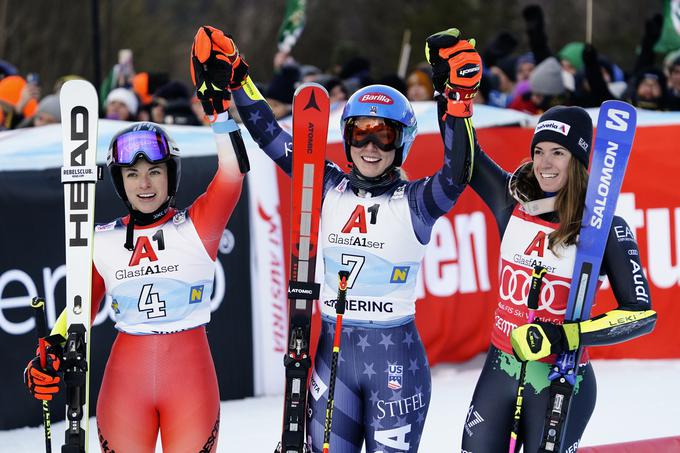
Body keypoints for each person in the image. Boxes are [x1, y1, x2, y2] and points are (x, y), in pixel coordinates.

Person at [189, 25, 480, 452]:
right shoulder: (327, 186)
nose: (371, 146)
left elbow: (457, 174)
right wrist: (238, 78)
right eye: (361, 133)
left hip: (394, 359)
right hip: (332, 356)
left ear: (402, 143)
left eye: (384, 134)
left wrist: (457, 102)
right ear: (346, 138)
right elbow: (271, 137)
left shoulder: (415, 201)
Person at [434, 33, 658, 452]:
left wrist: (563, 337)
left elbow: (640, 316)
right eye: (539, 151)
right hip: (500, 368)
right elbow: (465, 159)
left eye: (558, 152)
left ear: (579, 160)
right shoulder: (513, 201)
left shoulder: (606, 227)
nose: (544, 163)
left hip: (561, 379)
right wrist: (451, 94)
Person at [23, 81, 249, 451]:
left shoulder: (198, 226)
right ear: (120, 181)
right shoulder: (102, 239)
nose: (144, 184)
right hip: (126, 384)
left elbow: (231, 174)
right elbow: (82, 305)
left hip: (190, 381)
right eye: (132, 174)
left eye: (154, 172)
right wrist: (52, 348)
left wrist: (218, 113)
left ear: (170, 174)